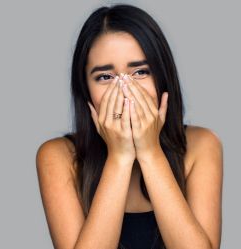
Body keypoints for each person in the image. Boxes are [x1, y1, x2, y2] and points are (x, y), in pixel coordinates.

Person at [36, 4, 223, 249]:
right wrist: (120, 156)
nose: (125, 90)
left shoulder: (201, 145)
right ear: (86, 90)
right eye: (105, 76)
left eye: (140, 72)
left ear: (162, 77)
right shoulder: (57, 156)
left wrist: (149, 151)